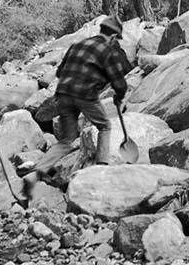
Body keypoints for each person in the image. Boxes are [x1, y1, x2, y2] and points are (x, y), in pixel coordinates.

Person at [22, 15, 132, 194]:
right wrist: (118, 96)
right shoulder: (108, 51)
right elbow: (119, 82)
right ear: (112, 37)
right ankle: (100, 168)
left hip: (63, 94)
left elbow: (59, 72)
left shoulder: (77, 46)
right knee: (104, 126)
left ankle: (35, 174)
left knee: (66, 140)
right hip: (85, 94)